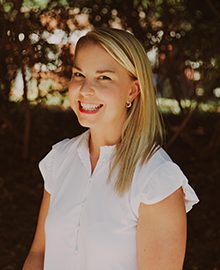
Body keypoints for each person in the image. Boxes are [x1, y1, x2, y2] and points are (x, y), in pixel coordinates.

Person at [23, 27, 199, 270]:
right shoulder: (60, 159)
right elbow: (38, 255)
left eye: (103, 77)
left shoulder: (156, 179)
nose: (85, 89)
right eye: (78, 74)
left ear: (132, 90)